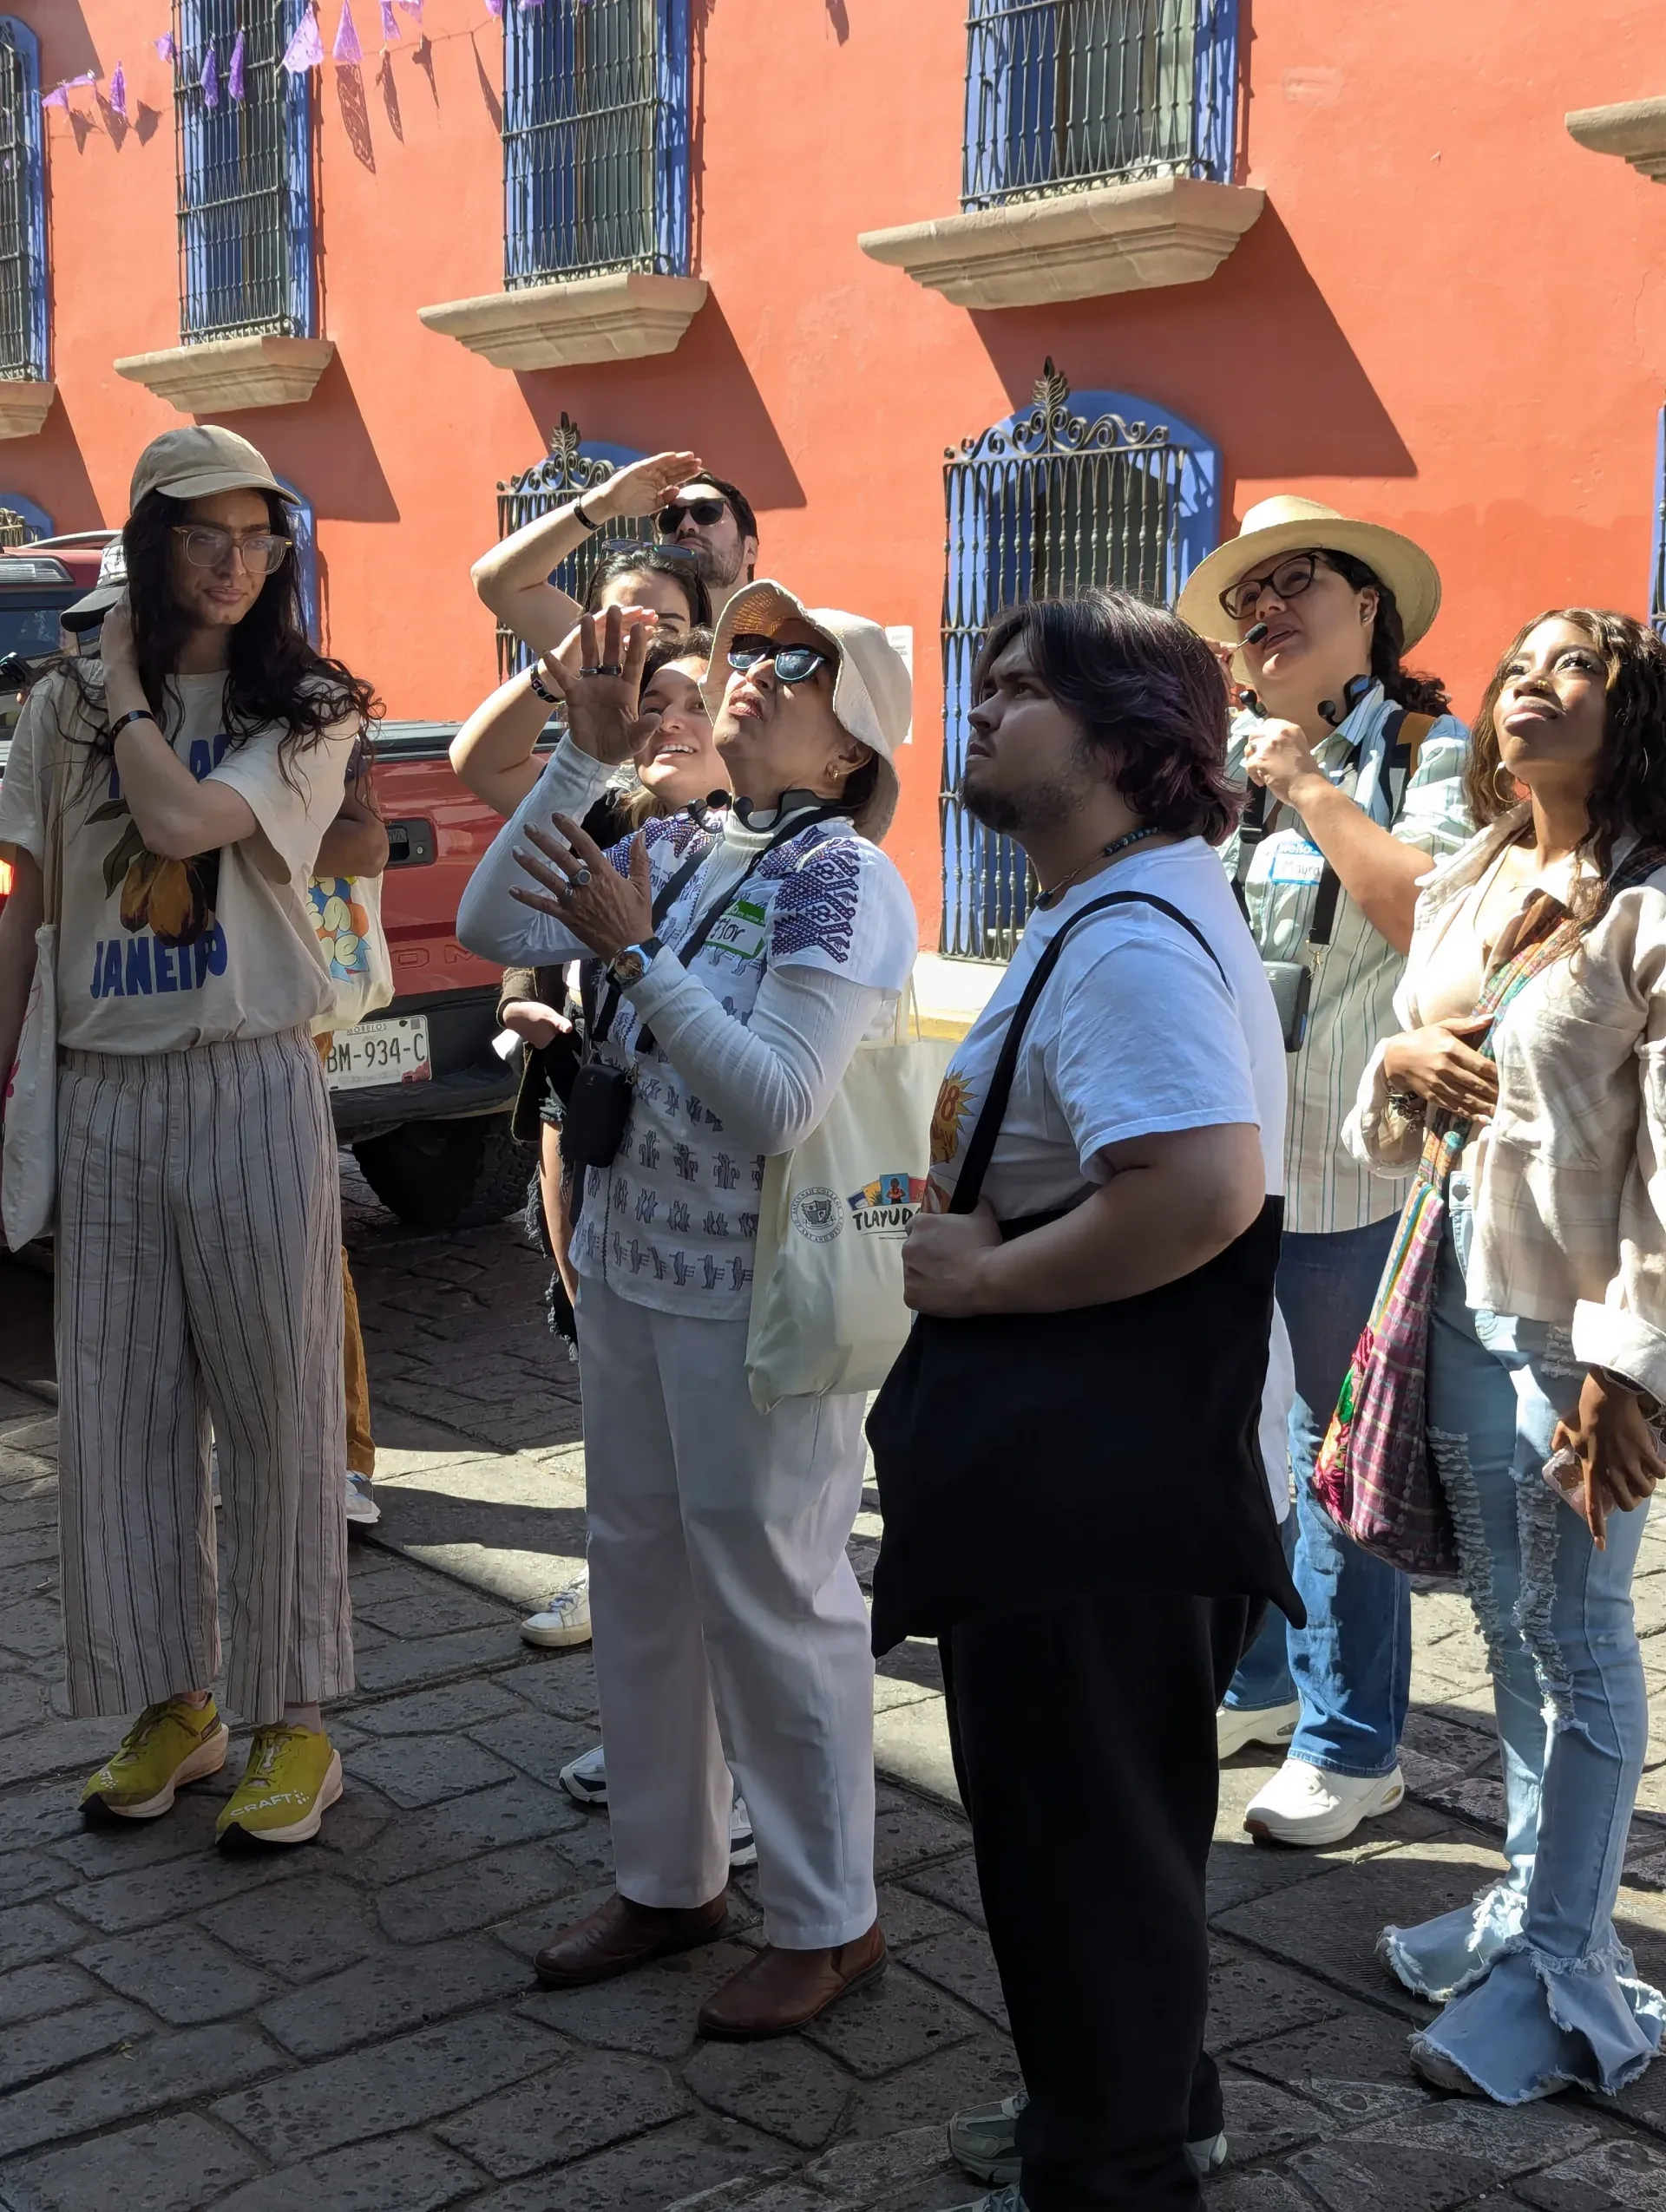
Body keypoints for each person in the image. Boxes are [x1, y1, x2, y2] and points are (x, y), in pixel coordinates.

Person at [870, 592, 1296, 2212]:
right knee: (1118, 1843)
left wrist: (975, 1280)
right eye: (983, 686)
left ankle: (1113, 2170)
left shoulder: (1124, 941)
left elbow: (1196, 1188)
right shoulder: (1118, 907)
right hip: (1113, 1482)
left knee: (1077, 1862)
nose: (981, 710)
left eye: (1024, 691)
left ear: (1126, 744)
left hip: (1091, 1500)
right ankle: (1143, 2107)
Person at [456, 585, 915, 2038]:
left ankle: (829, 1913)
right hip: (641, 1273)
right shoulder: (679, 839)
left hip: (763, 1298)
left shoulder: (843, 874)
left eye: (801, 665)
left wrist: (636, 956)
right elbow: (483, 919)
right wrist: (584, 763)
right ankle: (670, 1874)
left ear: (855, 752)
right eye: (753, 649)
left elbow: (781, 1101)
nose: (754, 672)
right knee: (642, 1580)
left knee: (778, 1598)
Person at [0, 424, 371, 1846]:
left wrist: (129, 690)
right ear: (152, 541)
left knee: (278, 1413)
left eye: (259, 534)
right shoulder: (53, 718)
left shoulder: (311, 706)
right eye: (205, 533)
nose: (237, 560)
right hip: (103, 1086)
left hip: (247, 1077)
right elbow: (29, 909)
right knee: (119, 1416)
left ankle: (298, 1726)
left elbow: (185, 814)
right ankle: (174, 1705)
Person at [1347, 608, 1666, 2102]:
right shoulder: (1479, 871)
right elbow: (1426, 1066)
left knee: (1585, 1637)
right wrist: (1397, 1066)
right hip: (1459, 1296)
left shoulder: (1653, 904)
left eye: (1574, 668)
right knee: (1519, 1625)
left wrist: (1629, 1370)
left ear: (1637, 710)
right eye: (1517, 666)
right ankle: (1531, 1902)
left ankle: (1569, 1972)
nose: (1530, 688)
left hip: (1576, 1336)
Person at [1176, 496, 1472, 1848]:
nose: (1264, 608)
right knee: (1225, 1424)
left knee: (1334, 1447)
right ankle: (1254, 1676)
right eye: (1246, 597)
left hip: (1350, 1170)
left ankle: (1355, 1740)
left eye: (1298, 580)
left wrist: (1306, 783)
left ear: (1372, 610)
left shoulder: (1432, 752)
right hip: (1224, 1157)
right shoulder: (1215, 765)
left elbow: (1439, 923)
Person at [310, 756, 391, 1529]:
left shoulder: (292, 700)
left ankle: (343, 1459)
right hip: (206, 996)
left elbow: (365, 843)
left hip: (292, 1004)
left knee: (307, 1240)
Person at [469, 448, 720, 683]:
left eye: (666, 626)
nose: (645, 642)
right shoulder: (591, 658)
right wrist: (603, 503)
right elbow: (495, 581)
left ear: (697, 635)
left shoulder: (728, 690)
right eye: (622, 624)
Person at [653, 473, 759, 618]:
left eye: (707, 512)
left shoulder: (790, 636)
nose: (685, 526)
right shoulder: (634, 636)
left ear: (750, 550)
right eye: (670, 519)